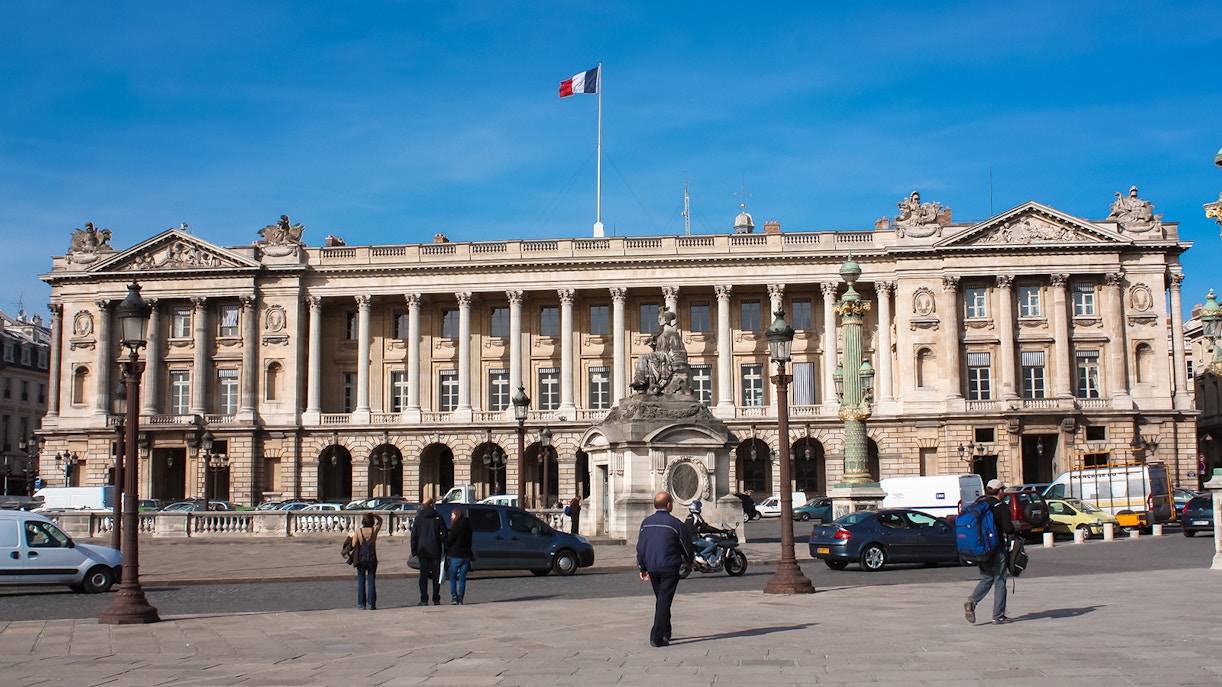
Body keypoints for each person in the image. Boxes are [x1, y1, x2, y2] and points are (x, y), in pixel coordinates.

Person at [636, 491, 694, 648]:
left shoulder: (645, 523)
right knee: (663, 600)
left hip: (652, 567)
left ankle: (666, 632)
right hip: (669, 567)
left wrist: (642, 567)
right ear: (669, 505)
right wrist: (690, 562)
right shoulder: (675, 524)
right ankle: (656, 635)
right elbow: (686, 546)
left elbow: (640, 547)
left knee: (662, 599)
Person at [964, 479, 1018, 625]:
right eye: (1003, 490)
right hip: (997, 548)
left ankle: (972, 601)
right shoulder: (1001, 507)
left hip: (981, 549)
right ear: (1000, 491)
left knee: (987, 578)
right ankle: (998, 615)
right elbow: (1008, 529)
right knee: (1000, 580)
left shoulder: (980, 505)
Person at [411, 498, 448, 606]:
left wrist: (414, 551)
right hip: (435, 549)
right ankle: (436, 598)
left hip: (422, 550)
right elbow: (444, 534)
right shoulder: (438, 517)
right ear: (431, 505)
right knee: (436, 576)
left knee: (423, 576)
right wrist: (445, 548)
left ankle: (424, 599)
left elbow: (414, 535)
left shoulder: (419, 518)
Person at [351, 513, 382, 610]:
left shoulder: (359, 531)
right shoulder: (374, 530)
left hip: (362, 557)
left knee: (361, 581)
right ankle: (371, 604)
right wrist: (375, 514)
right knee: (371, 580)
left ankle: (361, 604)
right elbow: (380, 521)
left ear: (363, 522)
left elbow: (353, 544)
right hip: (372, 557)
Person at [445, 507, 473, 605]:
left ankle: (454, 597)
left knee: (452, 577)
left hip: (456, 554)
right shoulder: (468, 526)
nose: (451, 517)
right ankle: (461, 598)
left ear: (456, 515)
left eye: (452, 515)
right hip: (466, 555)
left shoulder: (456, 527)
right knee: (462, 578)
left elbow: (450, 540)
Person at [684, 501, 719, 565]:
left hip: (688, 538)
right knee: (713, 545)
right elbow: (705, 527)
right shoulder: (697, 517)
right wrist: (719, 531)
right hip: (695, 539)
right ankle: (702, 556)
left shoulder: (689, 517)